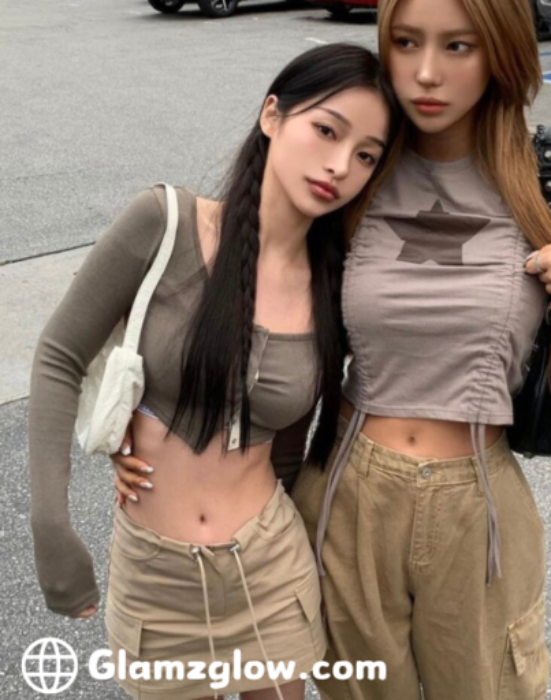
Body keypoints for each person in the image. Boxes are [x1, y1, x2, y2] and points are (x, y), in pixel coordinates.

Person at [112, 0, 551, 697]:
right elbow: (255, 292)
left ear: (504, 50)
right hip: (347, 491)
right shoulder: (360, 166)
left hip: (476, 503)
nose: (426, 73)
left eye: (459, 46)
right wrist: (153, 427)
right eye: (405, 42)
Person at [31, 43, 400, 700]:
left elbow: (290, 442)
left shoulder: (334, 283)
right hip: (155, 580)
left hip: (269, 571)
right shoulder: (165, 223)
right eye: (326, 130)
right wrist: (52, 529)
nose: (341, 165)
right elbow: (58, 357)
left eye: (367, 154)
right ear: (271, 115)